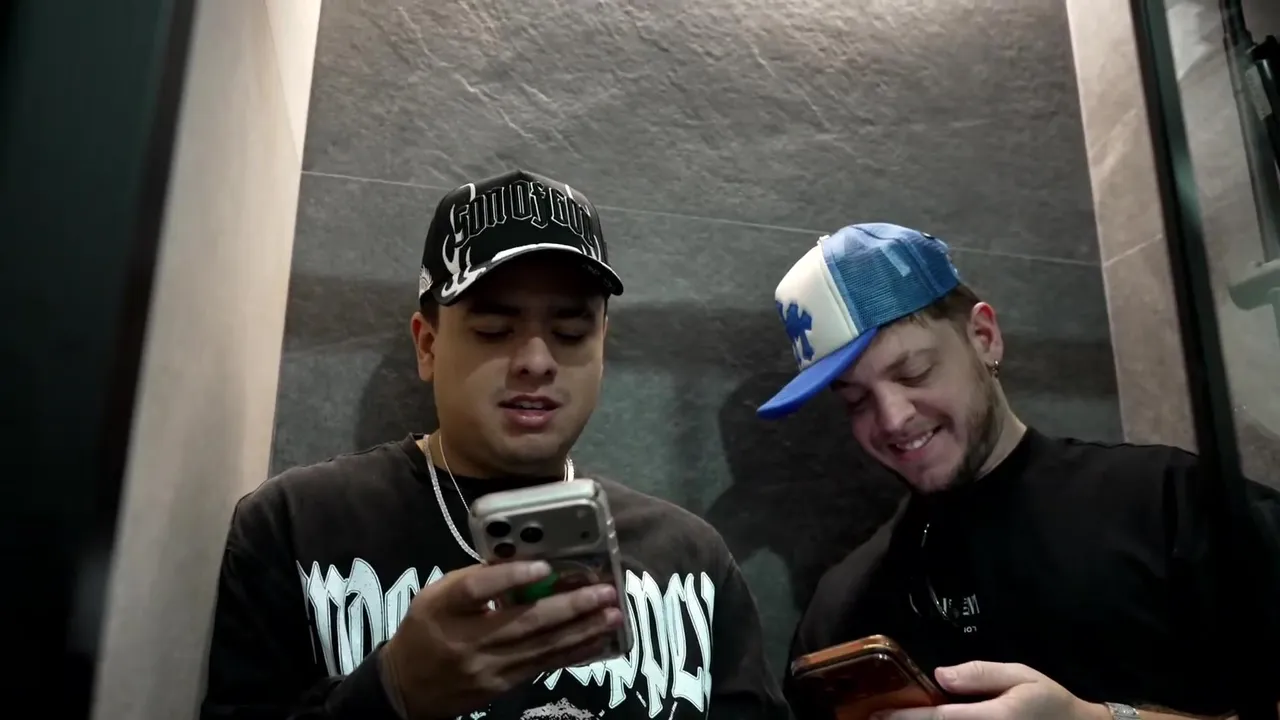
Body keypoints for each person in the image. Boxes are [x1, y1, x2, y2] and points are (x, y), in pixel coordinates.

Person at [200, 169, 791, 720]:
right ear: (427, 345)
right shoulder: (298, 526)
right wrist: (391, 692)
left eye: (570, 332)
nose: (536, 360)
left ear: (602, 346)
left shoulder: (692, 562)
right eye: (494, 330)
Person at [757, 223, 1280, 720]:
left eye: (914, 372)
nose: (893, 418)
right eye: (856, 400)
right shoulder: (842, 610)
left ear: (984, 337)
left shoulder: (1172, 508)